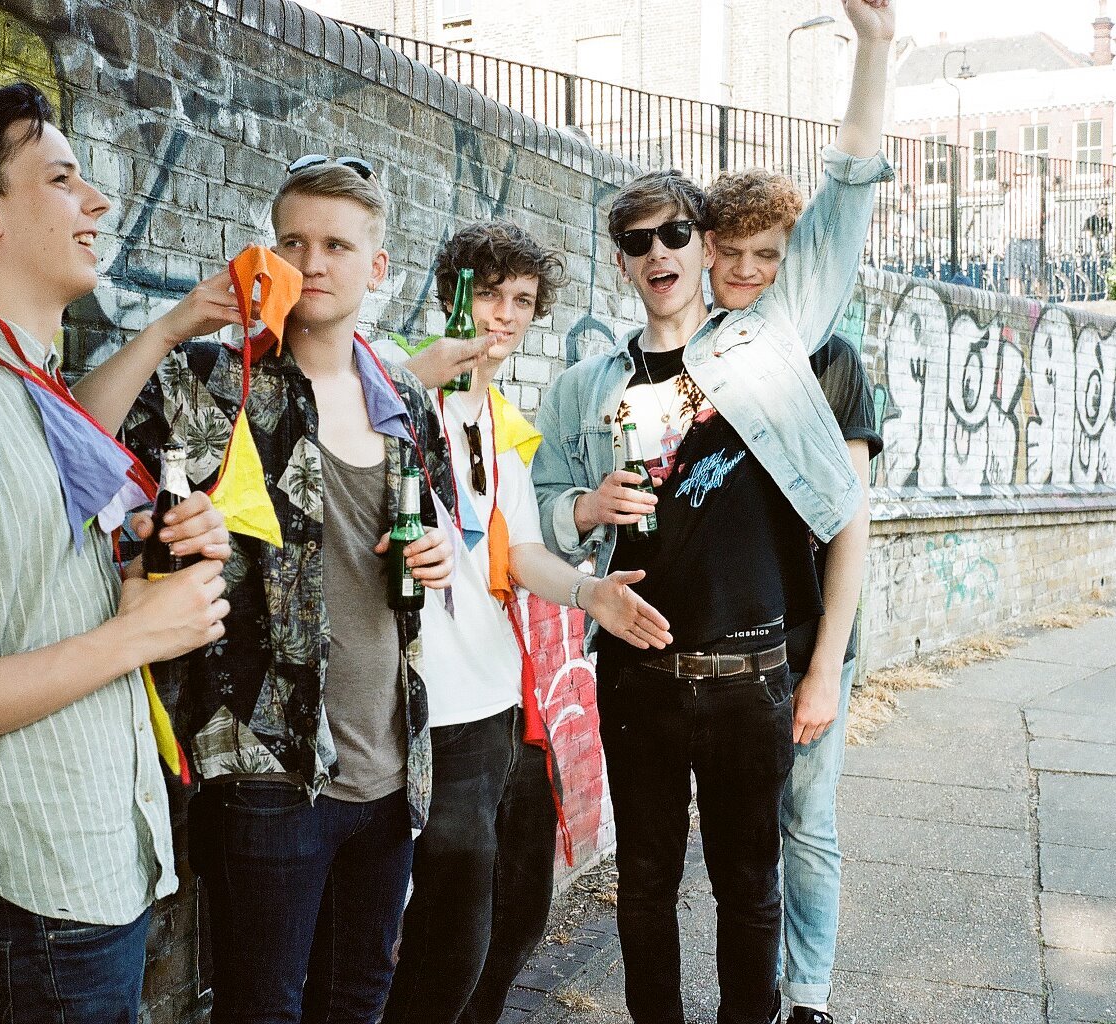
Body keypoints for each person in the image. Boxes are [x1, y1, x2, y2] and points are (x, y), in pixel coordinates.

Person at [530, 2, 895, 1022]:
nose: (657, 251)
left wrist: (872, 49)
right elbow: (538, 521)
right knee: (644, 885)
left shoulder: (771, 339)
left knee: (748, 885)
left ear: (700, 247)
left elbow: (846, 194)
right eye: (634, 240)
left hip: (750, 677)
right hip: (637, 679)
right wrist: (582, 515)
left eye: (674, 233)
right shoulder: (584, 389)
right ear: (620, 260)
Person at [0, 83, 233, 1023]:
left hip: (90, 868)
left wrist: (148, 566)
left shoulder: (22, 384)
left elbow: (48, 554)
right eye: (63, 180)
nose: (96, 202)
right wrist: (136, 636)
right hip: (41, 894)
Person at [117, 156, 456, 1024]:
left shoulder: (404, 401)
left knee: (358, 998)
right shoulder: (212, 383)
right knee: (260, 1007)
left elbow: (441, 532)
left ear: (377, 267)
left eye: (338, 245)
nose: (313, 262)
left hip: (391, 766)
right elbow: (86, 459)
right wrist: (170, 326)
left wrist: (442, 555)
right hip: (267, 769)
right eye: (294, 242)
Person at [374, 222, 672, 1024]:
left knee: (520, 916)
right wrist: (418, 377)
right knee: (449, 938)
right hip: (438, 710)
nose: (504, 315)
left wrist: (588, 592)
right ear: (452, 296)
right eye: (488, 294)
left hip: (508, 702)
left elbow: (524, 553)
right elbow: (337, 404)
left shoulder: (503, 424)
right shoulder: (397, 389)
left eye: (522, 300)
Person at [704, 169, 884, 1024]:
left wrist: (824, 668)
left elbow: (851, 525)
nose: (747, 270)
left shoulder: (832, 359)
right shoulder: (699, 353)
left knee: (806, 820)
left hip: (811, 636)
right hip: (728, 644)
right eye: (732, 252)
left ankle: (806, 994)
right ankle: (754, 992)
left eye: (769, 255)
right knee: (742, 831)